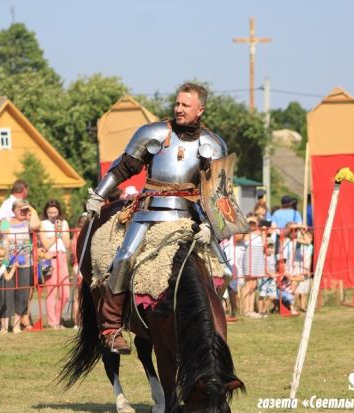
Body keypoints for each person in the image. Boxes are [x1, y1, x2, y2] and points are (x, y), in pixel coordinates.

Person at [85, 82, 226, 353]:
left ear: (200, 109)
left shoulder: (213, 144)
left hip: (191, 214)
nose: (179, 108)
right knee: (124, 257)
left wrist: (211, 227)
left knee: (226, 270)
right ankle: (111, 326)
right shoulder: (154, 133)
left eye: (186, 105)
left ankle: (205, 322)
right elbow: (123, 168)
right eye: (177, 103)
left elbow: (219, 192)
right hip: (150, 210)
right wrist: (99, 195)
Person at [0, 198, 37, 334]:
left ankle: (16, 325)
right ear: (13, 210)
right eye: (20, 208)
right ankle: (4, 326)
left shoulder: (28, 222)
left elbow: (36, 226)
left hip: (25, 261)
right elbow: (5, 235)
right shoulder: (5, 221)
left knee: (23, 293)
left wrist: (31, 209)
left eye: (24, 208)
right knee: (6, 291)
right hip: (8, 259)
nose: (22, 211)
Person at [39, 199, 71, 329]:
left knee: (66, 293)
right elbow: (46, 244)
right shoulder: (43, 224)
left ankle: (58, 319)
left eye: (54, 212)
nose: (52, 214)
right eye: (49, 212)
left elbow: (67, 244)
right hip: (49, 257)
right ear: (46, 213)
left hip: (62, 256)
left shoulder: (64, 223)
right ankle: (53, 322)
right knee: (51, 291)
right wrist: (56, 232)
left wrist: (61, 230)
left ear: (59, 212)